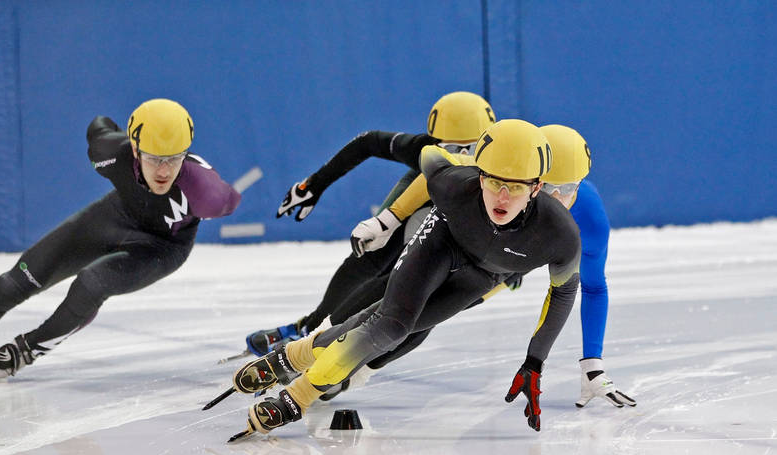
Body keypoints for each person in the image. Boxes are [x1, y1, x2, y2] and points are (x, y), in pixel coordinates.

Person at [222, 119, 581, 438]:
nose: (502, 196)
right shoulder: (454, 183)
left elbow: (563, 294)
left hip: (485, 274)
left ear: (536, 188)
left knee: (401, 328)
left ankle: (291, 357)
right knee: (389, 326)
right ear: (479, 174)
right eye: (493, 181)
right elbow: (427, 156)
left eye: (515, 187)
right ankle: (297, 398)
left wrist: (534, 362)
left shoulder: (560, 234)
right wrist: (388, 219)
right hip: (443, 241)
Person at [0, 98, 241, 379]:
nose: (164, 171)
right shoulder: (110, 153)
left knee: (91, 283)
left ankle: (26, 349)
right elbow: (98, 127)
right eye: (153, 158)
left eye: (173, 159)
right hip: (114, 217)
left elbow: (230, 200)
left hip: (162, 247)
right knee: (18, 279)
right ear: (135, 149)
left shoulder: (206, 191)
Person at [321, 124, 636, 408]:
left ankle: (354, 370)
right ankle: (319, 339)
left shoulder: (589, 221)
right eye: (549, 186)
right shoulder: (511, 163)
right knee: (395, 296)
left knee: (424, 320)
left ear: (579, 185)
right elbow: (438, 172)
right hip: (461, 234)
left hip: (499, 267)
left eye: (566, 189)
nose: (554, 198)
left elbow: (592, 288)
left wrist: (592, 365)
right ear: (535, 182)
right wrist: (388, 220)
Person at [243, 91, 497, 356]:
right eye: (450, 151)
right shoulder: (433, 153)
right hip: (421, 204)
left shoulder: (469, 161)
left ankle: (323, 334)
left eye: (471, 151)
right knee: (374, 257)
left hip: (456, 222)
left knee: (407, 277)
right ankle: (314, 327)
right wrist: (315, 185)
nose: (461, 159)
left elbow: (368, 141)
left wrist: (314, 185)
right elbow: (368, 142)